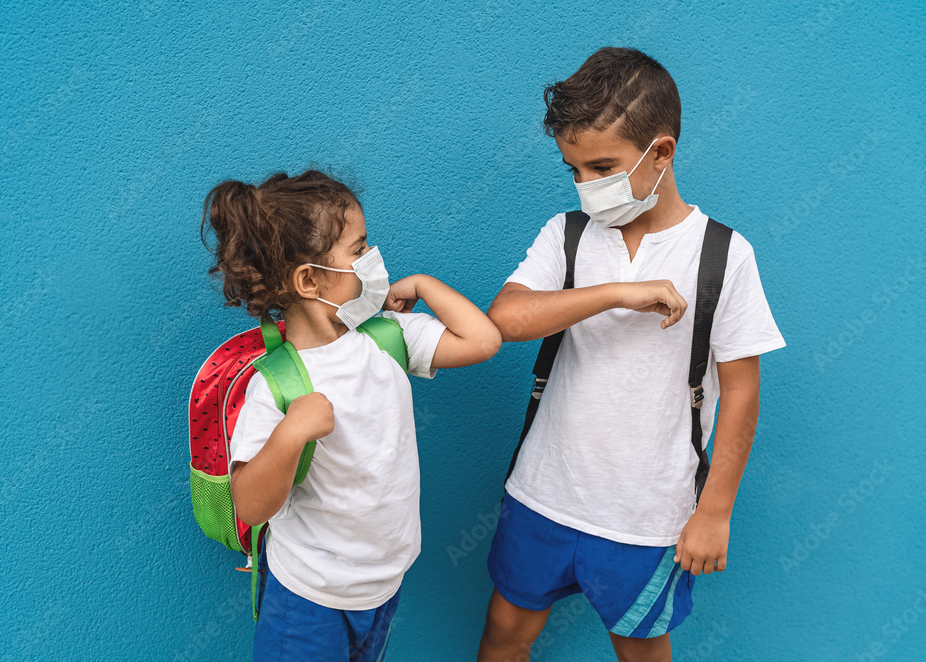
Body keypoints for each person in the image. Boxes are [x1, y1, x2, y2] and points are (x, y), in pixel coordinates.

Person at [477, 47, 786, 662]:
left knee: (640, 650)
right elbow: (505, 320)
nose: (586, 187)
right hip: (543, 492)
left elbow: (743, 391)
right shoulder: (565, 236)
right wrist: (618, 292)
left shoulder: (725, 255)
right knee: (505, 633)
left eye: (602, 167)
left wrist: (715, 510)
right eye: (574, 171)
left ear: (661, 152)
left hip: (648, 516)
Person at [200, 169, 501, 661]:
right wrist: (291, 433)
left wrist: (424, 284)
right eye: (359, 249)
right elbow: (250, 508)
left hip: (382, 586)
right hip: (308, 598)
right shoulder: (277, 383)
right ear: (308, 279)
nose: (372, 259)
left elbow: (483, 341)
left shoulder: (386, 337)